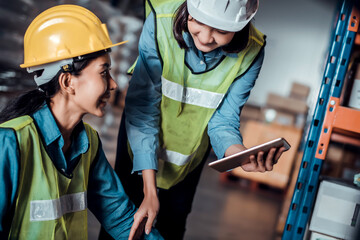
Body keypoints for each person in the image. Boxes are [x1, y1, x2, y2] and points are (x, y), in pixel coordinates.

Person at [99, 0, 288, 239]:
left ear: (241, 26)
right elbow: (144, 110)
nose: (206, 37)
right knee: (123, 222)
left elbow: (224, 119)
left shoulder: (252, 51)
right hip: (140, 140)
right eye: (198, 21)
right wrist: (149, 189)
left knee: (171, 226)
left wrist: (238, 155)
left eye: (221, 31)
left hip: (188, 157)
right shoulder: (160, 23)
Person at [0, 4, 163, 240]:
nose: (114, 84)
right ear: (68, 82)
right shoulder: (11, 143)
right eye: (103, 72)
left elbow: (121, 218)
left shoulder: (88, 143)